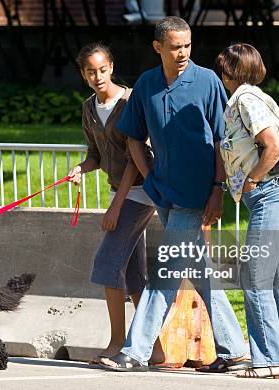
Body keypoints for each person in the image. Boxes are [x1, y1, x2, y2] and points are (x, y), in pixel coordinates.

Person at [99, 16, 248, 372]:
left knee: (165, 271)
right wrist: (149, 176)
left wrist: (217, 189)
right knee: (200, 272)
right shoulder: (146, 84)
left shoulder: (208, 81)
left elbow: (220, 141)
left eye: (187, 45)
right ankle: (235, 349)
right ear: (158, 47)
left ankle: (133, 352)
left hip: (196, 195)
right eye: (175, 46)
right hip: (163, 191)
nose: (183, 53)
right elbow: (133, 137)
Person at [217, 43, 279, 379]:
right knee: (275, 274)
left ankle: (270, 362)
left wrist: (252, 180)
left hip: (273, 189)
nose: (221, 73)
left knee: (255, 277)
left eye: (224, 68)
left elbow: (274, 145)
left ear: (233, 72)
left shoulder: (245, 99)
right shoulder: (253, 96)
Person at [67, 43, 163, 364]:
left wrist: (116, 206)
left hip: (140, 192)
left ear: (111, 66)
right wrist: (81, 168)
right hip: (119, 193)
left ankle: (117, 342)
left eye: (103, 69)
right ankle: (156, 349)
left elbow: (137, 160)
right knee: (134, 275)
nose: (98, 76)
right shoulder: (88, 108)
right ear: (83, 74)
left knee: (107, 264)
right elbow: (95, 154)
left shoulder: (131, 101)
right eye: (90, 71)